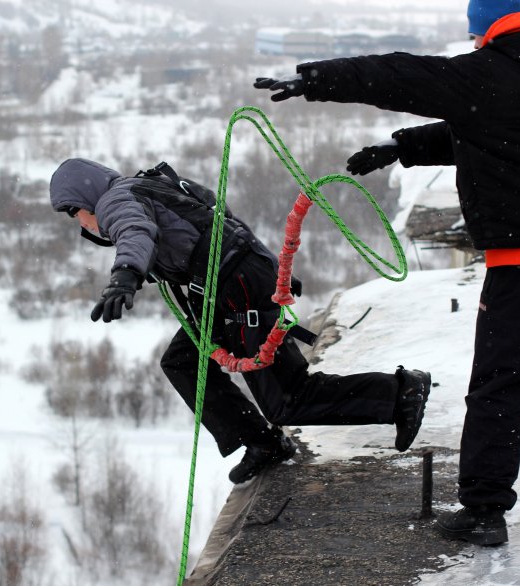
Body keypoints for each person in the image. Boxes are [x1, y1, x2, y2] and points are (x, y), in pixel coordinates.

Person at [254, 0, 520, 544]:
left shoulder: (487, 70)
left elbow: (401, 73)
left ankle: (484, 512)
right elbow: (489, 126)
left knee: (498, 389)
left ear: (484, 28)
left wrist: (316, 79)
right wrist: (400, 148)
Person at [49, 157, 431, 484]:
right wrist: (271, 267)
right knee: (184, 361)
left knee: (288, 399)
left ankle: (399, 393)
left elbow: (135, 231)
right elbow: (223, 218)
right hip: (229, 288)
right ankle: (262, 440)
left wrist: (126, 275)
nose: (82, 224)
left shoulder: (117, 201)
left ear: (85, 200)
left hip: (236, 291)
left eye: (75, 214)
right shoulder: (150, 185)